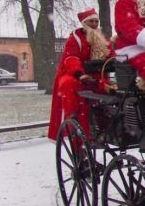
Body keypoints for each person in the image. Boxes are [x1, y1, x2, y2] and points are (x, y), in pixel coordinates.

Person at [47, 8, 114, 140]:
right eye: (91, 21)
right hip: (74, 74)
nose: (95, 24)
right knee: (71, 86)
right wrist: (80, 74)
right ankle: (73, 118)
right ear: (84, 23)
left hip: (96, 74)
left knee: (112, 91)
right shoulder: (75, 39)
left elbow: (111, 54)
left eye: (96, 21)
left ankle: (107, 125)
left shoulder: (101, 39)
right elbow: (71, 59)